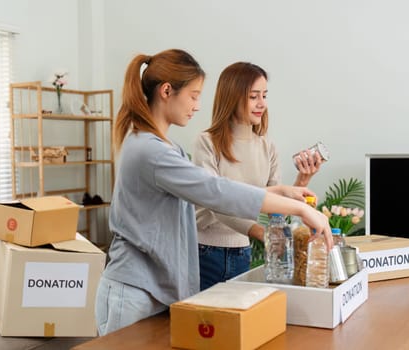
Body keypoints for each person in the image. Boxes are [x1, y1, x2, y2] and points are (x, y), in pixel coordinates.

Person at [95, 49, 332, 336]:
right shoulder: (151, 151)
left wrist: (283, 191)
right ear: (167, 91)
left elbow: (214, 188)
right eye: (194, 96)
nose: (197, 106)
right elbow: (215, 191)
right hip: (134, 290)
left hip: (153, 288)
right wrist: (301, 209)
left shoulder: (165, 148)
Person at [192, 61, 324, 290]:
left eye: (264, 95)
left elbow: (275, 207)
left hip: (242, 253)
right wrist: (260, 233)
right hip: (205, 253)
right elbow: (217, 202)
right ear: (233, 97)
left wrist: (302, 181)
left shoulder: (267, 147)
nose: (262, 104)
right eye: (254, 96)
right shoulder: (206, 143)